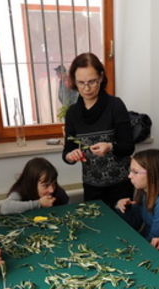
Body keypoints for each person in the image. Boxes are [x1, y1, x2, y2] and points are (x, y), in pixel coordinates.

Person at [62, 52, 134, 208]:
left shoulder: (115, 105)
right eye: (81, 83)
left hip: (120, 186)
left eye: (92, 82)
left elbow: (128, 146)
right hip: (92, 187)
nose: (86, 88)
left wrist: (110, 146)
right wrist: (71, 155)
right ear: (74, 81)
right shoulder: (72, 113)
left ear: (101, 77)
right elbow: (67, 151)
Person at [116, 149, 159, 240]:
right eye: (130, 170)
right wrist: (123, 207)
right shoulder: (143, 190)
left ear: (153, 173)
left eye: (135, 172)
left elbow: (155, 239)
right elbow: (135, 222)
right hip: (146, 239)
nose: (129, 176)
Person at [0, 157, 70, 214]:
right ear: (31, 183)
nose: (51, 190)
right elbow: (5, 208)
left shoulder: (59, 193)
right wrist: (39, 203)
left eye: (53, 184)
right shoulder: (21, 191)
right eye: (45, 186)